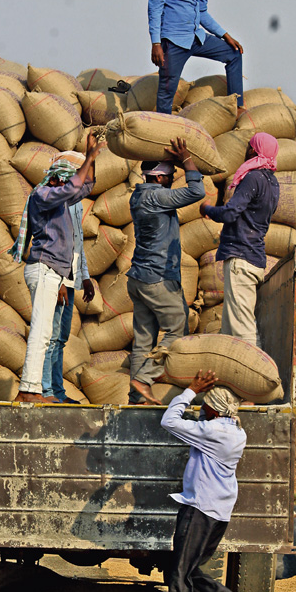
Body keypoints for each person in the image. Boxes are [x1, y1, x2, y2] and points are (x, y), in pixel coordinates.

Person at [160, 369, 253, 592]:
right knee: (185, 570)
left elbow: (169, 421)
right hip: (218, 513)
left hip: (200, 510)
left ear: (212, 410)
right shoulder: (236, 432)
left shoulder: (212, 432)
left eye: (205, 406)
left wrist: (190, 390)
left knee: (179, 576)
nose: (201, 410)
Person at [10, 136, 103, 403]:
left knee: (46, 334)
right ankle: (28, 391)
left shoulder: (61, 200)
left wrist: (91, 158)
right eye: (64, 182)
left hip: (53, 272)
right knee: (41, 333)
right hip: (43, 269)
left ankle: (35, 390)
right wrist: (88, 157)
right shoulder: (42, 195)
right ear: (54, 180)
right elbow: (73, 186)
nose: (66, 187)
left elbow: (86, 185)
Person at [127, 137, 204, 405]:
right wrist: (187, 159)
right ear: (159, 178)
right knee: (178, 328)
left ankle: (137, 399)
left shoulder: (138, 195)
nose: (172, 180)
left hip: (138, 278)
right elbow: (197, 191)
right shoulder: (158, 196)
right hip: (158, 279)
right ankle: (145, 378)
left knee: (143, 341)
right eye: (170, 176)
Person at [148, 0, 244, 115]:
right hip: (174, 40)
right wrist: (156, 43)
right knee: (167, 89)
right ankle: (163, 123)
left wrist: (226, 36)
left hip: (196, 37)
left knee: (234, 53)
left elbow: (202, 13)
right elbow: (154, 9)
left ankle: (237, 107)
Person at [200, 132, 281, 347]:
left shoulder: (252, 178)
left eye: (249, 146)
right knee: (230, 332)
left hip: (241, 259)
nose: (246, 150)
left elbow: (230, 213)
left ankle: (257, 366)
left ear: (254, 150)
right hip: (254, 258)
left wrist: (208, 209)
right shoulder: (273, 183)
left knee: (243, 333)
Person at [41, 178, 96, 404]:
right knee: (51, 337)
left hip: (71, 279)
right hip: (57, 278)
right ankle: (46, 392)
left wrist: (85, 276)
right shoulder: (51, 202)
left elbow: (77, 243)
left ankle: (58, 392)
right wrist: (59, 281)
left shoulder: (76, 203)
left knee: (61, 338)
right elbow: (49, 244)